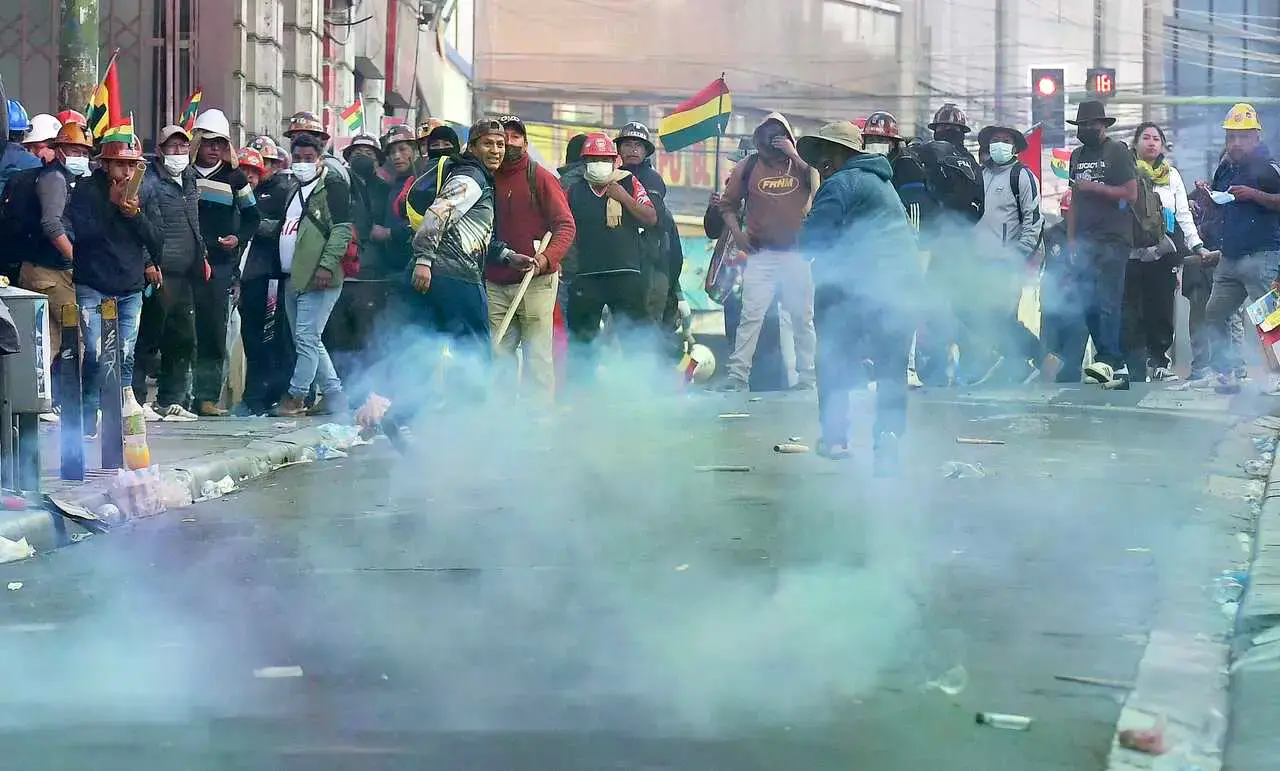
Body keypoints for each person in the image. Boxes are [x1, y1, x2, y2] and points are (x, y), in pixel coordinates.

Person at [355, 118, 526, 432]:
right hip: (455, 277)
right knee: (476, 356)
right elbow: (438, 213)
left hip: (438, 275)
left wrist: (506, 255)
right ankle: (469, 429)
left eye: (500, 144)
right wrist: (423, 258)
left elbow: (476, 235)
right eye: (488, 143)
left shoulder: (478, 178)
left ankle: (400, 414)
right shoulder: (472, 176)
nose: (496, 150)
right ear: (471, 147)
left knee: (423, 351)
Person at [796, 121, 920, 476]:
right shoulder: (883, 184)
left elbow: (811, 244)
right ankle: (889, 437)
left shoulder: (840, 184)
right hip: (902, 288)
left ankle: (835, 437)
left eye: (823, 154)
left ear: (839, 154)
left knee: (832, 355)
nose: (819, 163)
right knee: (892, 369)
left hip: (857, 287)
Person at [64, 138, 160, 438]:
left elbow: (157, 240)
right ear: (105, 164)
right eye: (120, 164)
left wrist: (134, 215)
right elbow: (84, 233)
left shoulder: (144, 190)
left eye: (132, 165)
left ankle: (121, 410)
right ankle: (89, 412)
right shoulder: (85, 189)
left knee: (123, 351)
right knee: (94, 350)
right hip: (93, 283)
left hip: (129, 286)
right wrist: (113, 206)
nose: (127, 172)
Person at [717, 112, 819, 391]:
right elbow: (726, 205)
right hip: (761, 256)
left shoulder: (802, 166)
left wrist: (794, 154)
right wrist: (737, 234)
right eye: (768, 134)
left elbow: (817, 186)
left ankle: (808, 377)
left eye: (780, 133)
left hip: (797, 255)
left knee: (802, 318)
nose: (773, 139)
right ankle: (738, 376)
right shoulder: (748, 166)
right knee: (751, 316)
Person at [487, 114, 576, 401]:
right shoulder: (485, 176)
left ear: (525, 142)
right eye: (503, 138)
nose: (509, 143)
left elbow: (565, 225)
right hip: (495, 281)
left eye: (515, 137)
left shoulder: (540, 177)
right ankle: (501, 422)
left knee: (538, 356)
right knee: (498, 353)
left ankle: (539, 425)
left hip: (536, 281)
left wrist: (545, 260)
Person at [562, 131, 659, 388]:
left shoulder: (629, 183)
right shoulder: (573, 191)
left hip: (626, 274)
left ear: (614, 160)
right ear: (584, 162)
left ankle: (640, 391)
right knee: (582, 342)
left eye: (605, 158)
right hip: (587, 276)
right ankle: (581, 393)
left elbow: (651, 218)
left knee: (635, 339)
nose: (600, 164)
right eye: (594, 159)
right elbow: (563, 228)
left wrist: (623, 198)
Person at [1200, 103, 1280, 394]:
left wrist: (1254, 195)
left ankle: (1277, 375)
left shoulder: (1269, 168)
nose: (1235, 143)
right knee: (1214, 313)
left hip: (1262, 254)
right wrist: (1209, 198)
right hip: (1230, 257)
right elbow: (1222, 204)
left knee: (1270, 318)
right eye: (1231, 137)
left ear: (1256, 137)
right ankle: (1226, 372)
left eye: (1242, 137)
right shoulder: (1224, 168)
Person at [1125, 122, 1213, 383]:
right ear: (1136, 143)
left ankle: (1159, 360)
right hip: (1130, 251)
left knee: (1161, 307)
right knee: (1133, 308)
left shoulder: (1171, 175)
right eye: (1146, 138)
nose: (1151, 142)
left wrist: (1196, 245)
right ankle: (1136, 362)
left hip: (1164, 252)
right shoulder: (1126, 172)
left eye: (1156, 139)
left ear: (1162, 145)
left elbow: (1183, 214)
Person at [272, 133, 352, 417]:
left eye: (309, 159)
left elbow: (342, 230)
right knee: (307, 339)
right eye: (298, 158)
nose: (302, 163)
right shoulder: (295, 189)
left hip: (319, 277)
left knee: (306, 338)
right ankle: (333, 394)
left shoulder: (332, 186)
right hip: (293, 276)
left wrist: (326, 266)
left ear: (320, 160)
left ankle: (296, 396)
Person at [190, 108, 261, 416]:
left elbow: (252, 216)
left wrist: (238, 239)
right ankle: (175, 396)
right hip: (184, 264)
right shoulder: (184, 175)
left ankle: (205, 397)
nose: (214, 149)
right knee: (180, 331)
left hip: (219, 267)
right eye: (208, 143)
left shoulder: (235, 177)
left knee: (213, 332)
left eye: (219, 143)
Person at [134, 125, 205, 420]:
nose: (178, 153)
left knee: (183, 338)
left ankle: (171, 399)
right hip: (160, 272)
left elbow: (193, 222)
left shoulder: (189, 179)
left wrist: (201, 254)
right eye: (172, 148)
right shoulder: (149, 181)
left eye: (183, 148)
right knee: (149, 338)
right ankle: (136, 400)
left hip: (185, 272)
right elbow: (142, 226)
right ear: (161, 150)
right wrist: (149, 262)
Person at [1066, 100, 1138, 385]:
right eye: (1081, 125)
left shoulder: (1117, 151)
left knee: (1108, 300)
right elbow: (1073, 200)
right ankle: (1115, 363)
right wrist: (1071, 240)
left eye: (1091, 124)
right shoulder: (1076, 155)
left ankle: (1107, 359)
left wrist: (1094, 187)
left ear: (1103, 126)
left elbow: (1130, 194)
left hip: (1113, 237)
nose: (1085, 129)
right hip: (1084, 239)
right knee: (1087, 303)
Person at [967, 123, 1043, 384]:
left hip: (1007, 260)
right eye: (994, 140)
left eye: (1005, 140)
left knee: (1000, 315)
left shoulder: (1022, 176)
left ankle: (1041, 358)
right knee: (983, 316)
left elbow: (1033, 220)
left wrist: (1020, 254)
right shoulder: (980, 175)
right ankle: (1020, 364)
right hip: (979, 262)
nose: (999, 144)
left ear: (1014, 147)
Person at [324, 133, 392, 382]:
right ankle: (339, 389)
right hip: (342, 270)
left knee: (369, 336)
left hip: (373, 274)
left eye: (369, 153)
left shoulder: (386, 189)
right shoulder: (338, 184)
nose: (362, 157)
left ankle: (367, 391)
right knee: (338, 334)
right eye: (356, 152)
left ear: (378, 159)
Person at [237, 144, 297, 415]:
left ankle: (267, 395)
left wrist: (251, 220)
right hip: (246, 277)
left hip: (271, 276)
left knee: (271, 337)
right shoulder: (237, 192)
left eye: (256, 169)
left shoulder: (283, 192)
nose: (250, 175)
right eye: (244, 169)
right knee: (250, 337)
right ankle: (253, 396)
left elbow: (283, 228)